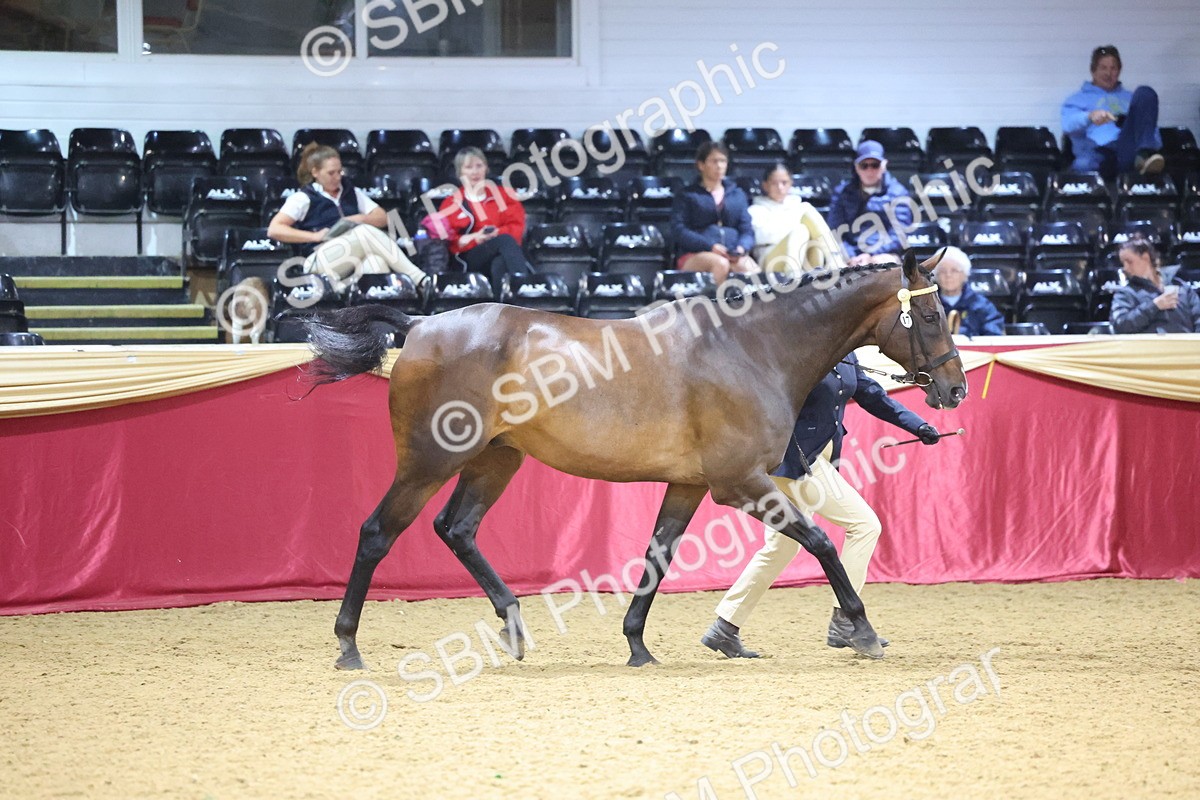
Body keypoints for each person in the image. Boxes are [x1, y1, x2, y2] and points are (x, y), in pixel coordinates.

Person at [701, 351, 942, 659]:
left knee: (782, 547)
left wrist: (917, 425)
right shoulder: (801, 347)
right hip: (798, 460)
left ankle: (725, 627)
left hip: (817, 457)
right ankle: (845, 620)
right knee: (864, 525)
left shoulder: (846, 353)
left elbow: (870, 394)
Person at [267, 142, 427, 293]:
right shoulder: (304, 197)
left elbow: (382, 217)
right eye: (331, 173)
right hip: (319, 258)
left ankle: (368, 313)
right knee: (365, 233)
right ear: (315, 172)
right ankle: (420, 280)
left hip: (350, 256)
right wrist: (314, 236)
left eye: (339, 171)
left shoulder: (351, 192)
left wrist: (359, 218)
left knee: (376, 262)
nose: (337, 177)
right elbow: (275, 229)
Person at [432, 147, 531, 294]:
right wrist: (475, 238)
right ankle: (524, 288)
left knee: (500, 263)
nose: (475, 172)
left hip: (502, 252)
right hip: (468, 257)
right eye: (469, 167)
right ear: (460, 172)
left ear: (486, 168)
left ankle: (503, 308)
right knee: (504, 240)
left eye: (479, 166)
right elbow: (450, 242)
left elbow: (517, 228)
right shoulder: (451, 203)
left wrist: (495, 233)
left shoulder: (503, 195)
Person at [1061, 45, 1164, 179]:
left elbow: (1153, 133)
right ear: (1093, 71)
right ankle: (1141, 159)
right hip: (1098, 152)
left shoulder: (1131, 98)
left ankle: (1144, 155)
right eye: (1103, 68)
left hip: (1129, 149)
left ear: (1119, 71)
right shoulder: (1077, 99)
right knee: (1084, 164)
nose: (1108, 73)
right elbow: (1068, 124)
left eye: (1113, 68)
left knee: (1145, 92)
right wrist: (1090, 116)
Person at [671, 142, 760, 284]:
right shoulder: (687, 195)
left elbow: (747, 230)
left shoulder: (737, 194)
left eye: (723, 161)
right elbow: (679, 230)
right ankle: (715, 306)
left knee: (751, 269)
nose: (719, 166)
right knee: (720, 264)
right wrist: (710, 246)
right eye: (714, 161)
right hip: (695, 254)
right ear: (701, 165)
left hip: (732, 254)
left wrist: (741, 248)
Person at [825, 141, 914, 265]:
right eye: (864, 165)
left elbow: (899, 235)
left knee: (887, 264)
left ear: (884, 165)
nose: (869, 170)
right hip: (848, 256)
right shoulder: (842, 192)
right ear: (856, 167)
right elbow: (835, 231)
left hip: (884, 254)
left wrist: (871, 256)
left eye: (875, 165)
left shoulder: (898, 193)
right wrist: (850, 255)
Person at [747, 163, 845, 274]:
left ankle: (833, 260)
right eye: (774, 183)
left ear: (791, 184)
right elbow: (763, 238)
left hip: (804, 257)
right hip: (770, 259)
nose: (780, 187)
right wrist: (793, 227)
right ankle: (792, 277)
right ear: (765, 185)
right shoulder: (756, 210)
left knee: (804, 224)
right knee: (799, 229)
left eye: (784, 183)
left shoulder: (797, 206)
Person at [1110, 235, 1200, 333]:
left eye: (1129, 262)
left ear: (1145, 257)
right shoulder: (1125, 294)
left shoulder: (1182, 288)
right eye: (1123, 263)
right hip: (1148, 348)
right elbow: (1120, 326)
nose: (1125, 268)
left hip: (1186, 347)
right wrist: (1154, 306)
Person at [932, 246, 1005, 336]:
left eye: (954, 270)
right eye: (943, 271)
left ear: (965, 274)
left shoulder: (983, 306)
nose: (948, 275)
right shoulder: (927, 305)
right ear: (935, 275)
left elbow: (993, 338)